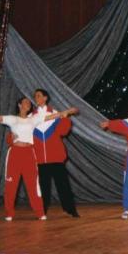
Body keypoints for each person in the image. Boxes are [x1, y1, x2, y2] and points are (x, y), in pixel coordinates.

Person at [0, 98, 78, 221]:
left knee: (33, 185)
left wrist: (68, 111)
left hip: (29, 154)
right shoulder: (12, 119)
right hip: (15, 154)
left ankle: (40, 213)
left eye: (29, 103)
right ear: (19, 105)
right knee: (11, 185)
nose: (28, 104)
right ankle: (9, 213)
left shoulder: (34, 119)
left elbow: (52, 116)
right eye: (25, 102)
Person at [31, 88, 80, 218]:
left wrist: (65, 118)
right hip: (40, 158)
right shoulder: (31, 117)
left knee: (63, 185)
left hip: (56, 156)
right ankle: (42, 211)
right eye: (35, 96)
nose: (36, 98)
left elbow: (63, 132)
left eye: (39, 95)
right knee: (43, 186)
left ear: (45, 98)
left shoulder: (55, 113)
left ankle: (70, 209)